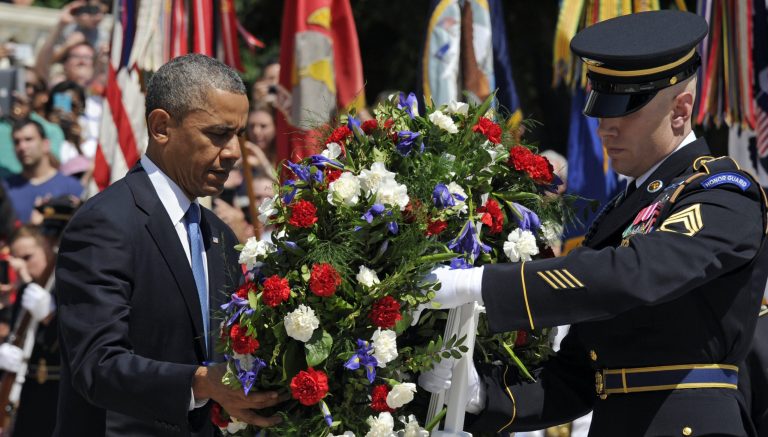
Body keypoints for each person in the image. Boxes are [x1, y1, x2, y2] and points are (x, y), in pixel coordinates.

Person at [419, 10, 768, 436]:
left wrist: (481, 284)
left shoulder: (724, 194)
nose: (605, 129)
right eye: (602, 111)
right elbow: (580, 376)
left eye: (625, 112)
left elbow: (634, 274)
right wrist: (478, 394)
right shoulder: (623, 210)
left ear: (681, 109)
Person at [54, 53, 283, 437]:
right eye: (217, 134)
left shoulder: (220, 236)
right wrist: (199, 382)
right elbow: (96, 365)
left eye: (237, 135)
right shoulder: (105, 224)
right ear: (161, 127)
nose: (233, 153)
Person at [0, 225, 60, 437]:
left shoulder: (64, 286)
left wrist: (51, 318)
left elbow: (73, 343)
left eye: (28, 257)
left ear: (47, 248)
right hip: (26, 394)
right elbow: (16, 334)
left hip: (57, 394)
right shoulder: (27, 289)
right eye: (17, 259)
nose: (21, 267)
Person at [2, 118, 83, 223]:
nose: (22, 147)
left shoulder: (72, 187)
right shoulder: (5, 189)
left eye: (28, 139)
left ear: (45, 144)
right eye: (17, 142)